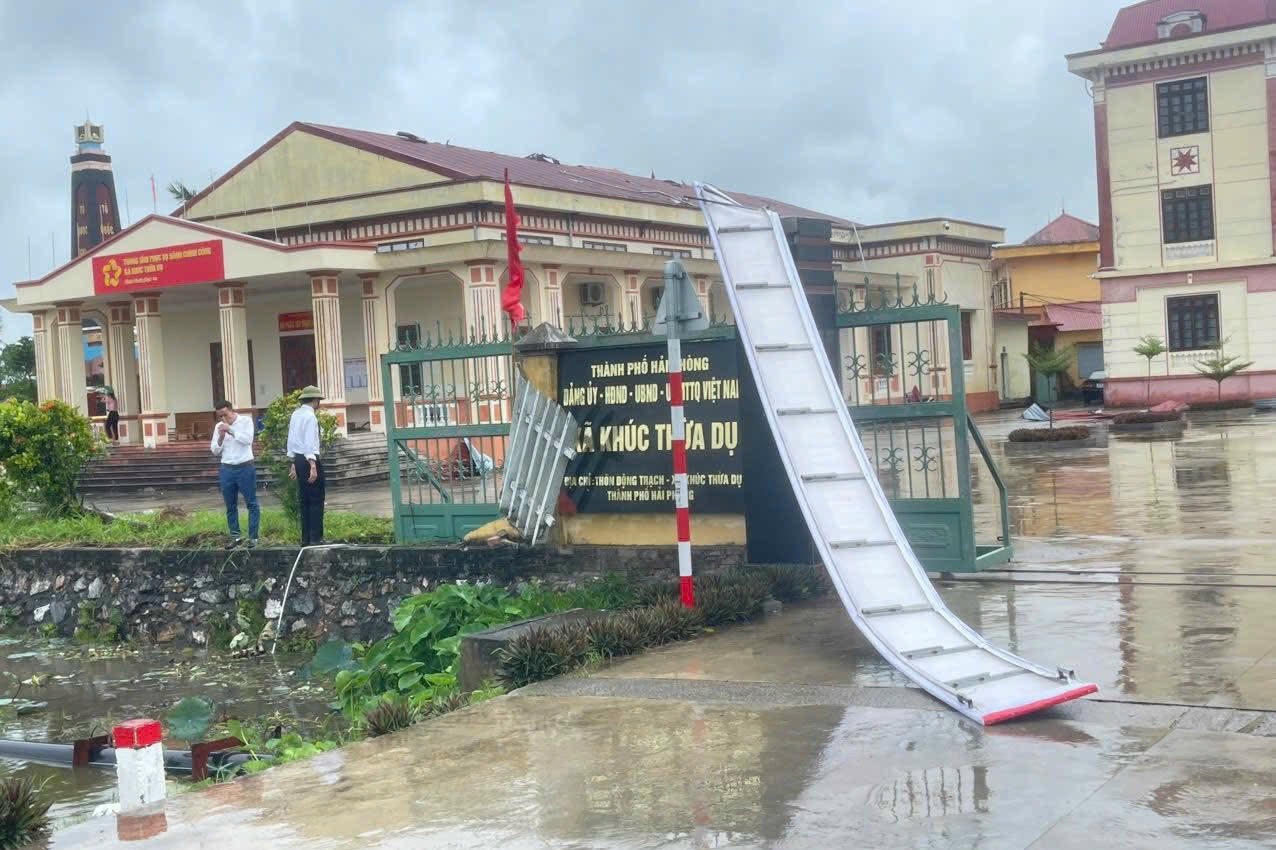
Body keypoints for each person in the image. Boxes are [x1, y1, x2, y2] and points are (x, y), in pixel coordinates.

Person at [211, 399, 260, 548]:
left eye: (225, 414)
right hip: (227, 468)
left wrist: (231, 430)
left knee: (251, 503)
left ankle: (253, 538)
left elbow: (247, 440)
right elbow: (214, 450)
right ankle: (235, 537)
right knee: (230, 505)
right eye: (220, 416)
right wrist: (220, 436)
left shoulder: (245, 421)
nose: (223, 419)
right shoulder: (219, 427)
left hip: (245, 467)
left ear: (231, 410)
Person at [286, 385, 326, 545]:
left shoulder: (295, 414)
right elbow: (309, 442)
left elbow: (292, 440)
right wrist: (313, 465)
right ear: (316, 400)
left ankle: (306, 538)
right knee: (316, 499)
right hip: (310, 459)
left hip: (298, 459)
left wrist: (293, 463)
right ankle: (316, 537)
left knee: (304, 499)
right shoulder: (310, 417)